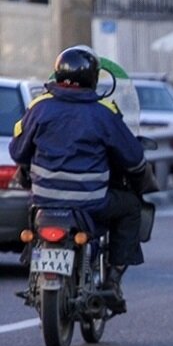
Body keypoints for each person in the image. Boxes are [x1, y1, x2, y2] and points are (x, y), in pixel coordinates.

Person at [9, 45, 150, 314]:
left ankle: (32, 258)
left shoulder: (39, 108)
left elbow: (18, 151)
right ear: (94, 78)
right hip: (91, 202)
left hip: (44, 200)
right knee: (131, 207)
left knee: (31, 212)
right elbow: (132, 157)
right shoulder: (103, 112)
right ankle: (112, 280)